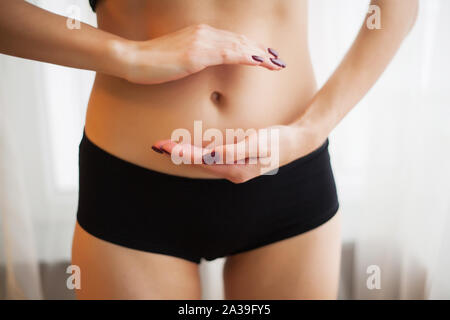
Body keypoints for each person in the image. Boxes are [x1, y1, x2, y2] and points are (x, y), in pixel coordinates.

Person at [0, 0, 418, 299]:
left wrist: (310, 132)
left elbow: (398, 6)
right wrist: (131, 55)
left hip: (288, 174)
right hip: (133, 191)